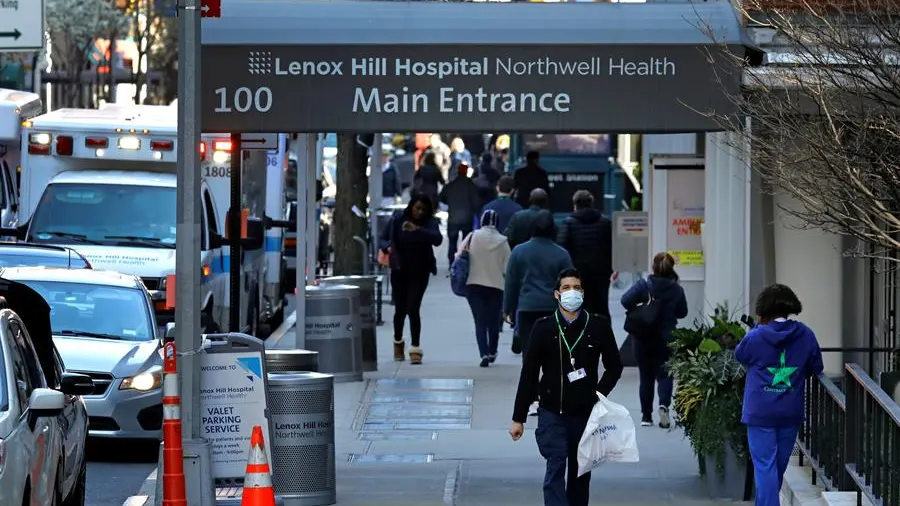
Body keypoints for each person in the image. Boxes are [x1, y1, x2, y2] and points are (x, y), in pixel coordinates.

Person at [509, 267, 624, 506]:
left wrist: (598, 393)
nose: (572, 292)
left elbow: (615, 366)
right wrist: (518, 417)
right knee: (556, 463)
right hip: (552, 411)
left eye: (577, 288)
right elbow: (529, 374)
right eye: (566, 288)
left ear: (583, 293)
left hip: (585, 413)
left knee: (580, 473)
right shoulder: (544, 328)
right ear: (556, 294)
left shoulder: (597, 326)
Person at [735, 284, 823, 506]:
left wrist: (756, 328)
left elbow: (740, 355)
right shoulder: (805, 334)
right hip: (789, 411)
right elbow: (816, 366)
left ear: (763, 310)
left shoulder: (755, 337)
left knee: (765, 467)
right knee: (778, 467)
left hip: (759, 412)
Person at [620, 252, 688, 428]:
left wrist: (642, 306)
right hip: (667, 337)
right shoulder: (676, 289)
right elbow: (683, 312)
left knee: (646, 376)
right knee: (666, 374)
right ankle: (663, 405)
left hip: (643, 337)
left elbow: (625, 300)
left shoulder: (644, 285)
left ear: (654, 267)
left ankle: (646, 417)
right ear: (671, 268)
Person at [378, 193, 443, 365]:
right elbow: (382, 238)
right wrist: (387, 247)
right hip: (400, 270)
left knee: (413, 308)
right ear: (411, 207)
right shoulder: (398, 219)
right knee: (400, 309)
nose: (419, 212)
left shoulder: (430, 223)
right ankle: (398, 342)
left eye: (423, 209)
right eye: (417, 208)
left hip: (420, 271)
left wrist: (418, 229)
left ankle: (415, 348)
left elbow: (437, 240)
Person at [504, 210, 574, 361]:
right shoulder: (562, 254)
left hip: (527, 307)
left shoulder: (519, 251)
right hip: (552, 308)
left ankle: (531, 382)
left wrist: (507, 308)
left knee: (529, 353)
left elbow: (511, 282)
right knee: (553, 354)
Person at [462, 209, 511, 367]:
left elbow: (459, 256)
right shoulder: (503, 241)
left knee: (480, 321)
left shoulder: (472, 236)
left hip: (474, 284)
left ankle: (483, 352)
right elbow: (507, 268)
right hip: (496, 286)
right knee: (493, 321)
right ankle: (492, 350)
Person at [557, 190, 614, 317]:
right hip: (601, 273)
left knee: (578, 307)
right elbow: (612, 247)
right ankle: (603, 334)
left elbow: (562, 247)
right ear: (592, 204)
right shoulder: (605, 223)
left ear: (575, 204)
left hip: (577, 273)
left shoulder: (569, 223)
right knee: (601, 306)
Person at [439, 162, 481, 270]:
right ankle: (464, 264)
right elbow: (477, 202)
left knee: (452, 242)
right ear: (466, 171)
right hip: (467, 218)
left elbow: (441, 197)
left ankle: (452, 263)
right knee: (466, 243)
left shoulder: (450, 185)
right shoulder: (471, 185)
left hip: (453, 218)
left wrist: (450, 203)